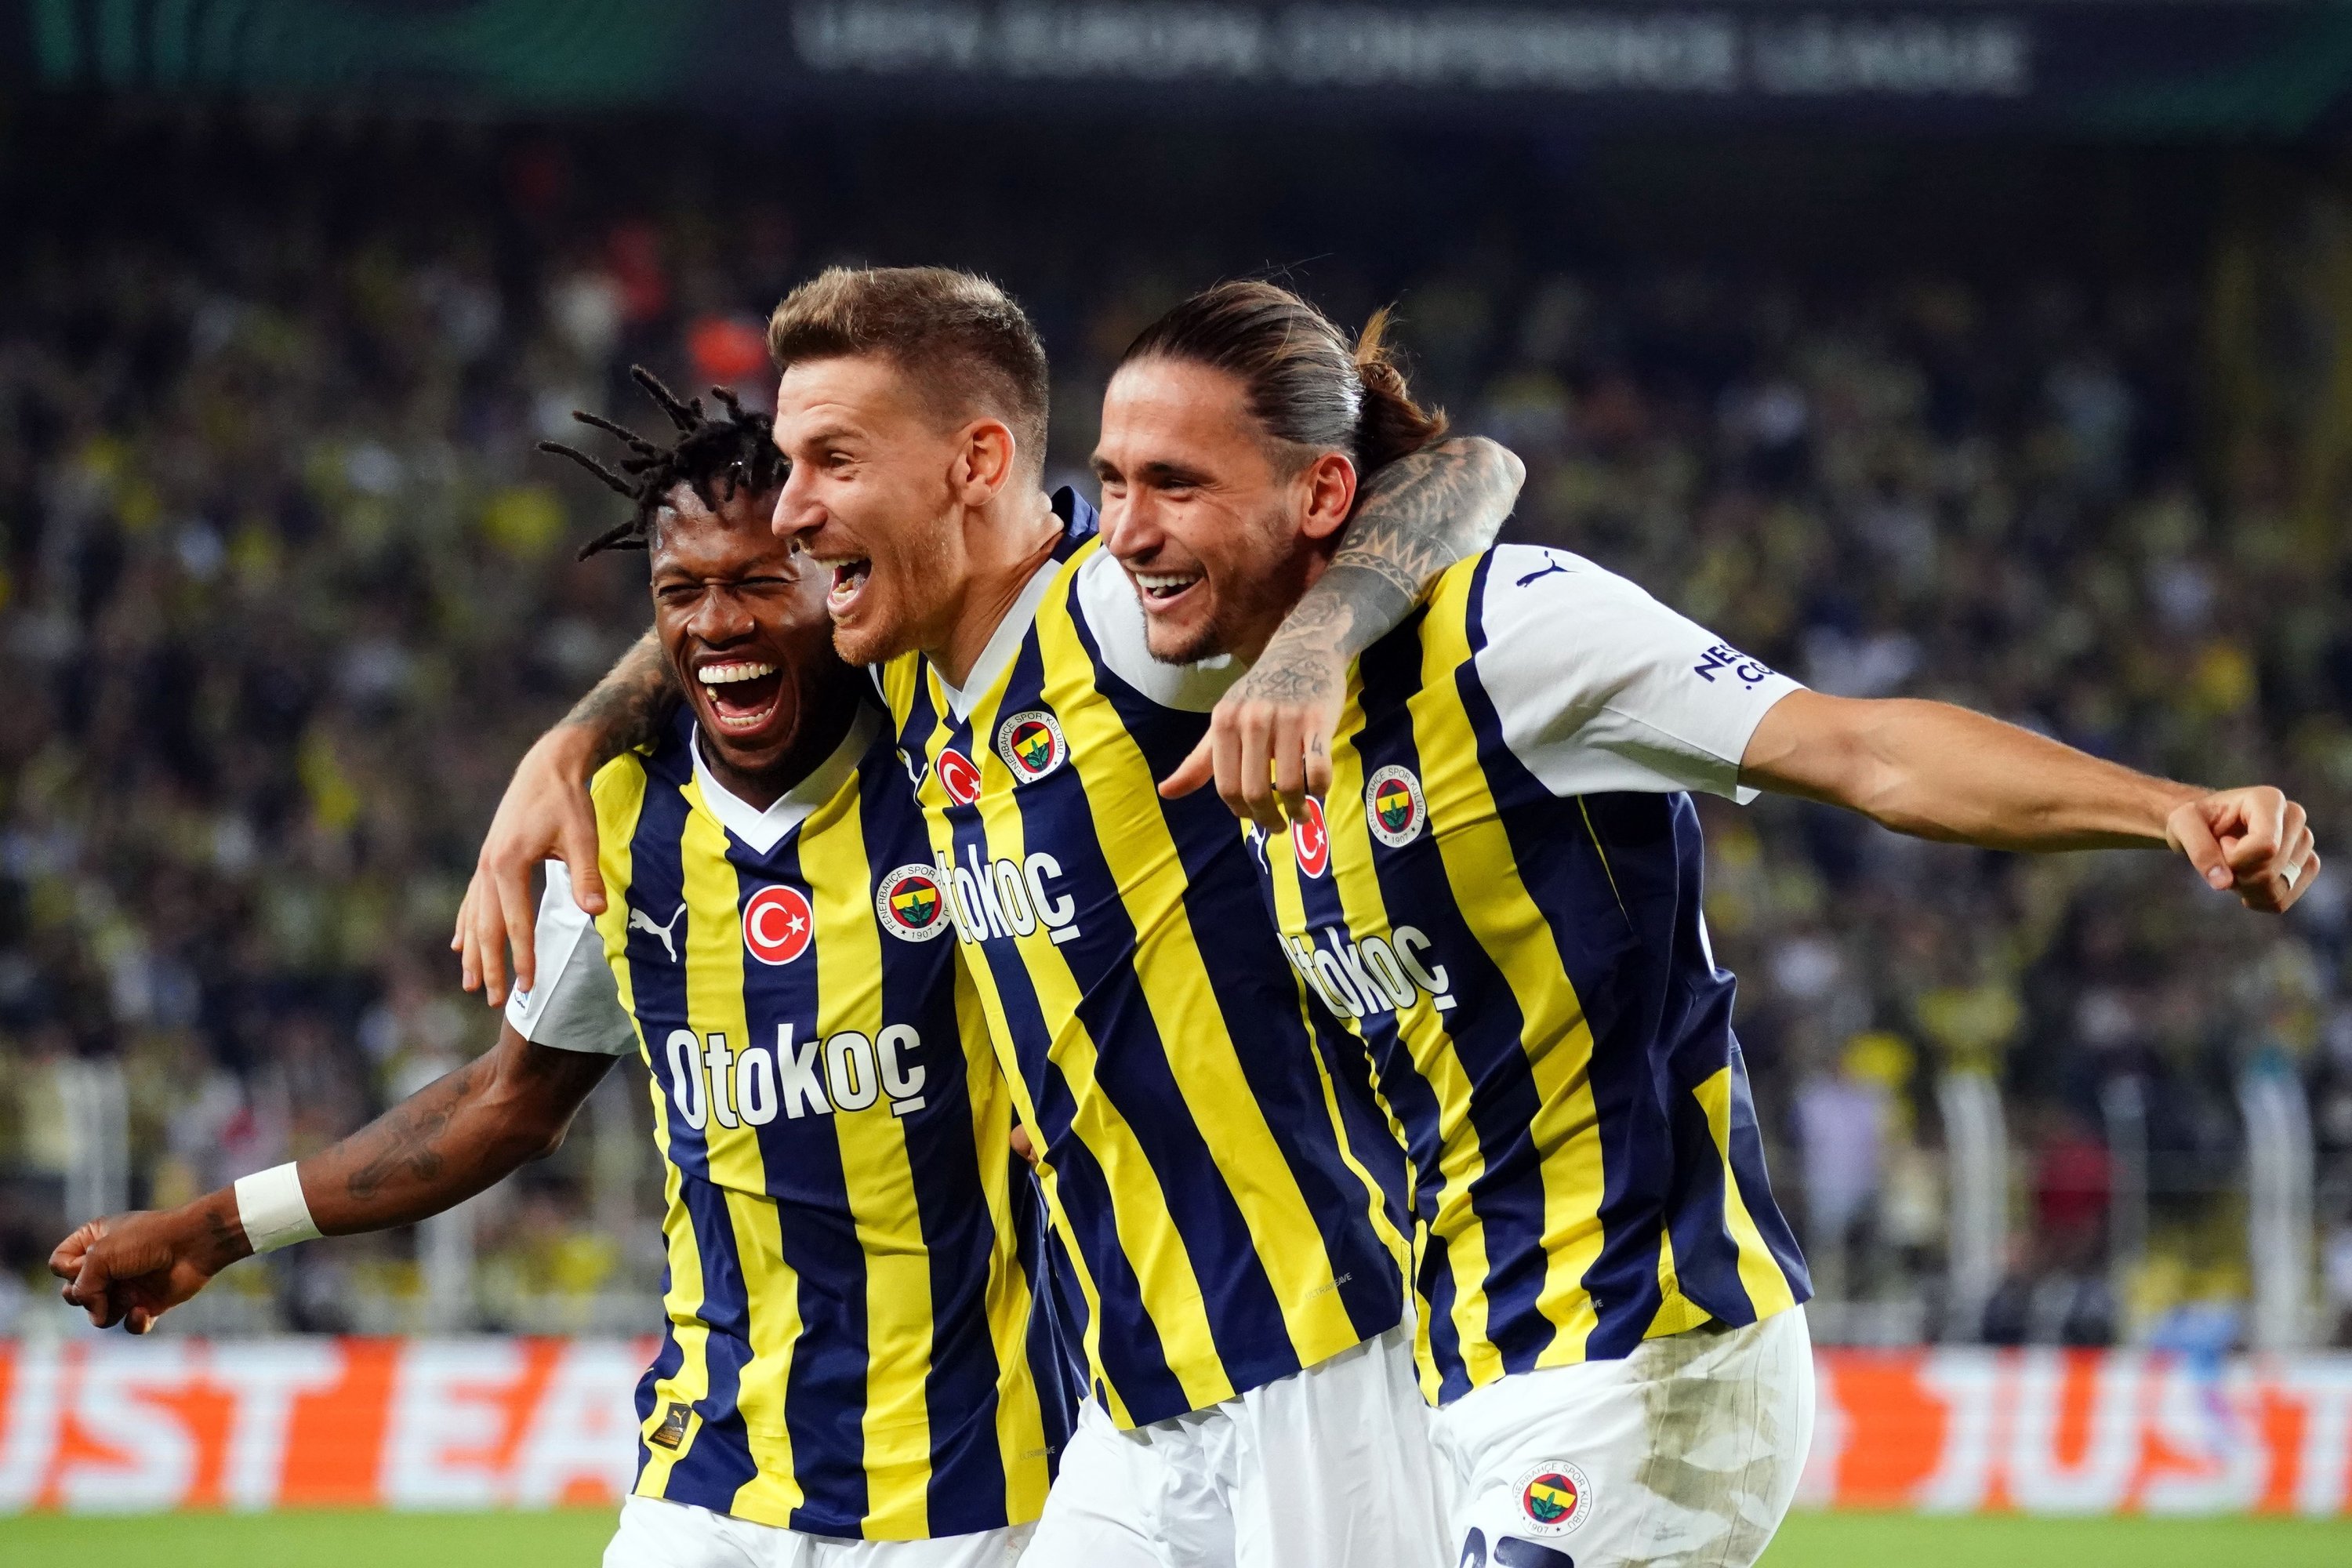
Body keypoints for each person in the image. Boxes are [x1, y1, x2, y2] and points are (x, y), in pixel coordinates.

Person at [1085, 279, 2320, 1567]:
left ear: (1324, 497)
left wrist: (2168, 809)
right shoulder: (1211, 687)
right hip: (1462, 1377)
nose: (1127, 529)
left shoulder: (1518, 631)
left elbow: (1864, 750)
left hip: (1652, 1359)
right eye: (1113, 482)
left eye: (1175, 484)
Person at [454, 267, 1527, 1568]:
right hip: (1136, 1400)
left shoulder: (1117, 621)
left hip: (1324, 1350)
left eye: (831, 462)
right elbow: (724, 606)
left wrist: (1312, 647)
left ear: (974, 461)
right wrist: (570, 740)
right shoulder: (910, 677)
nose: (793, 510)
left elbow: (1468, 472)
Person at [52, 372, 1073, 1568]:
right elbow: (505, 1105)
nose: (716, 625)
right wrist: (216, 1229)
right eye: (680, 594)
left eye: (758, 584)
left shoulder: (948, 759)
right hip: (711, 1486)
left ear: (837, 583)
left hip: (983, 1491)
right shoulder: (618, 822)